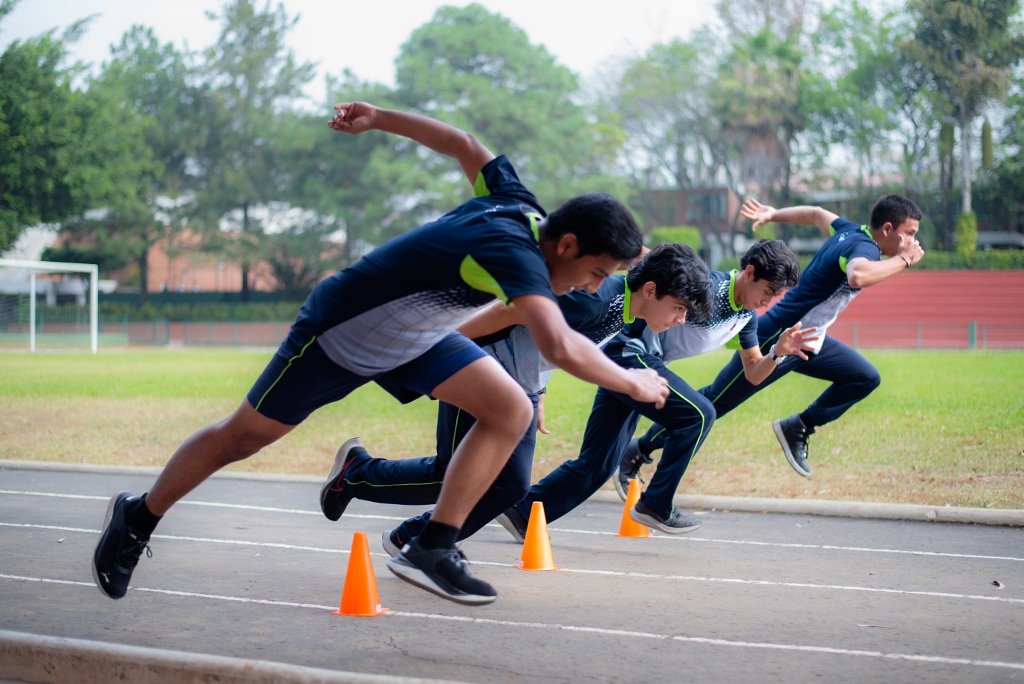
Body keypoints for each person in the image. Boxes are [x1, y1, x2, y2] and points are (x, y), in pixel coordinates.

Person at [92, 101, 669, 607]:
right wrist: (633, 383)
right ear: (565, 244)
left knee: (510, 410)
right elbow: (558, 344)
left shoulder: (516, 202)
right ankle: (139, 516)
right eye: (595, 272)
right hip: (342, 332)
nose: (594, 287)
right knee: (242, 437)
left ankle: (432, 547)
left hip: (418, 338)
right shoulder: (514, 252)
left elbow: (466, 145)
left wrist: (379, 119)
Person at [318, 243, 710, 552]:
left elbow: (545, 344)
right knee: (454, 474)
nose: (679, 321)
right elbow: (509, 312)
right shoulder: (593, 299)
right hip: (473, 368)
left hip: (513, 388)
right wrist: (442, 346)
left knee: (509, 486)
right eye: (678, 309)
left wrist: (535, 390)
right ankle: (389, 509)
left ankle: (411, 533)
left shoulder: (618, 310)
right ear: (650, 290)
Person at [495, 239, 814, 537]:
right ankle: (657, 503)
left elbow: (754, 373)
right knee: (699, 414)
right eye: (769, 290)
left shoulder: (745, 316)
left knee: (600, 464)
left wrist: (777, 353)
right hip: (627, 351)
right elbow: (660, 266)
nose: (769, 301)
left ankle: (523, 513)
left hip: (637, 363)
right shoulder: (707, 287)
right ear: (749, 272)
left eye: (777, 296)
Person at [624, 195, 925, 480]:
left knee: (863, 377)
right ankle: (640, 450)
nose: (912, 240)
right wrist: (905, 260)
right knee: (715, 402)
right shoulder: (867, 249)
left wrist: (773, 214)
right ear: (887, 228)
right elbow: (858, 275)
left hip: (807, 340)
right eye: (908, 233)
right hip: (779, 337)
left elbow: (816, 214)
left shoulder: (848, 230)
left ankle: (799, 426)